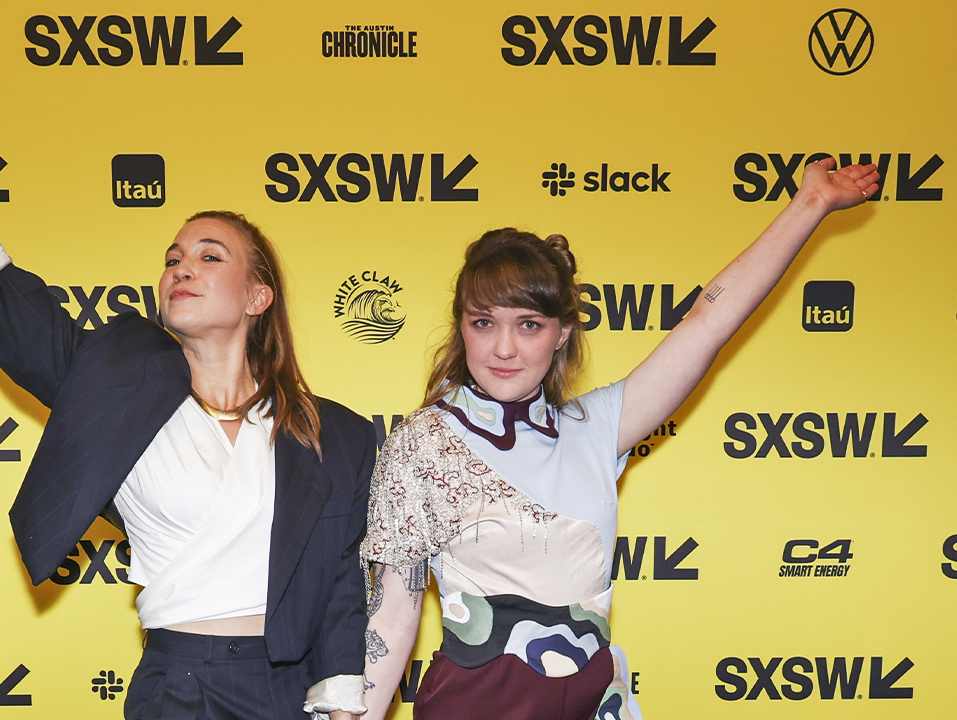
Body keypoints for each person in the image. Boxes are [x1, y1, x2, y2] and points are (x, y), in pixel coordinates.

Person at [0, 8, 373, 720]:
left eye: (209, 256)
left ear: (259, 296)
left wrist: (342, 699)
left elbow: (343, 584)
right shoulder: (115, 383)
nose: (182, 267)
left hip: (286, 693)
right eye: (172, 257)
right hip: (177, 688)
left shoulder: (334, 433)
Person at [358, 160, 880, 719]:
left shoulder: (596, 427)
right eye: (483, 322)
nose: (503, 348)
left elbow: (708, 322)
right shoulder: (421, 443)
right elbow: (393, 616)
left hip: (596, 704)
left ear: (562, 333)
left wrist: (810, 204)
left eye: (529, 324)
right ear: (461, 327)